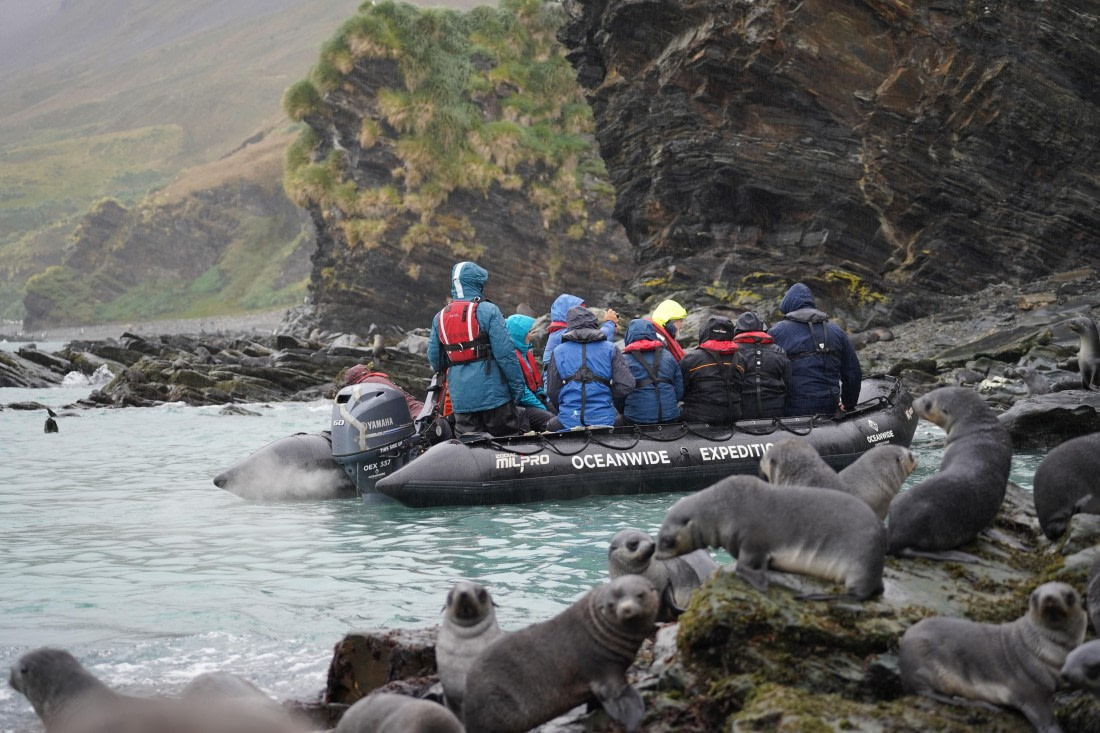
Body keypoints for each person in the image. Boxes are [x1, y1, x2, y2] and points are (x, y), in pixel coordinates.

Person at [427, 261, 526, 436]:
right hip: (495, 396)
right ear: (478, 283)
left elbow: (435, 360)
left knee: (471, 448)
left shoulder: (439, 317)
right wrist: (517, 389)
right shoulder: (489, 311)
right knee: (507, 443)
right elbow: (506, 354)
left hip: (462, 400)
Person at [767, 282, 862, 416]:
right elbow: (853, 373)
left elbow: (765, 373)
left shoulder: (776, 332)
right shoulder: (837, 331)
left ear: (788, 306)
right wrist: (849, 404)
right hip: (830, 406)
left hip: (793, 409)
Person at [545, 305, 635, 430]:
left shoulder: (558, 351)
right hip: (606, 418)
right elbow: (626, 385)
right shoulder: (610, 348)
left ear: (569, 325)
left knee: (550, 425)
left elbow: (552, 390)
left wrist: (567, 408)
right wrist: (607, 394)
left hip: (569, 419)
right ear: (594, 323)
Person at [679, 315, 745, 425]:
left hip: (698, 417)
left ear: (704, 333)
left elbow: (680, 390)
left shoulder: (691, 359)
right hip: (733, 415)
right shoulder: (741, 359)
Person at [618, 319, 683, 424]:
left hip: (636, 419)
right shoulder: (668, 356)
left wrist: (624, 410)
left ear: (629, 335)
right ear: (653, 333)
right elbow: (679, 390)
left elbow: (619, 393)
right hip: (671, 417)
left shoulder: (624, 359)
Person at [732, 311, 791, 419]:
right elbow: (788, 381)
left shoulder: (732, 352)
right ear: (763, 329)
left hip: (743, 411)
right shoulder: (778, 351)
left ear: (737, 330)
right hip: (775, 410)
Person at [505, 313, 556, 431]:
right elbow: (521, 392)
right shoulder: (511, 357)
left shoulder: (525, 352)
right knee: (551, 420)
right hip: (520, 405)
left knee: (561, 415)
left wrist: (545, 399)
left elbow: (535, 385)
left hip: (533, 398)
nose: (531, 335)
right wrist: (541, 407)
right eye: (528, 332)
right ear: (518, 334)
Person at [543, 293, 618, 365]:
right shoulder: (561, 335)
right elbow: (597, 343)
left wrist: (611, 329)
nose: (584, 314)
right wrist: (610, 323)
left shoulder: (557, 333)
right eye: (580, 310)